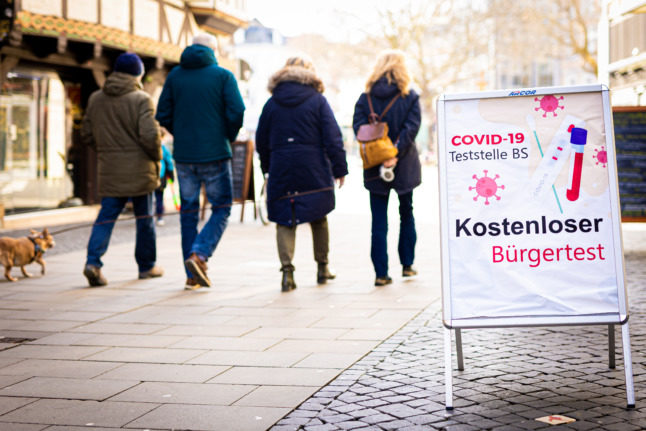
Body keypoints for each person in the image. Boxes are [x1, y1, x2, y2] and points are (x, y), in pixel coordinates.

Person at [156, 33, 245, 290]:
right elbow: (237, 111)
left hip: (184, 156)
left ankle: (191, 276)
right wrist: (226, 135)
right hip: (215, 153)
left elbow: (163, 113)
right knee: (222, 207)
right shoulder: (223, 76)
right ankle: (199, 255)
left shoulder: (175, 76)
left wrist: (181, 134)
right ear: (213, 51)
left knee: (189, 213)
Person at [256, 56, 348, 292]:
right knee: (319, 215)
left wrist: (268, 168)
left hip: (281, 164)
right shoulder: (318, 100)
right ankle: (322, 267)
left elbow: (261, 140)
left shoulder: (272, 103)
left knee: (284, 218)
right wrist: (339, 169)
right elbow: (333, 137)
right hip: (313, 165)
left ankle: (287, 273)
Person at [81, 52, 163, 287]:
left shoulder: (96, 98)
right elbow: (150, 136)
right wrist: (157, 157)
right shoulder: (141, 99)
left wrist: (107, 150)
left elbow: (86, 134)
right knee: (144, 219)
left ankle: (93, 262)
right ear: (138, 74)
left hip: (110, 169)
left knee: (105, 218)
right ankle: (147, 267)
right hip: (140, 170)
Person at [352, 50, 422, 286]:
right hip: (404, 165)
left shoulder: (366, 98)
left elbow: (358, 129)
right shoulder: (410, 96)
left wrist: (381, 154)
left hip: (374, 165)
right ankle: (408, 265)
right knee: (406, 213)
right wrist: (395, 152)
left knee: (378, 219)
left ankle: (381, 273)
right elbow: (412, 129)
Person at [155, 133, 175, 226]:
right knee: (159, 198)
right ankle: (159, 217)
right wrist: (171, 175)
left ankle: (156, 215)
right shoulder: (163, 148)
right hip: (160, 176)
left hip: (152, 176)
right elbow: (169, 162)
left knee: (151, 198)